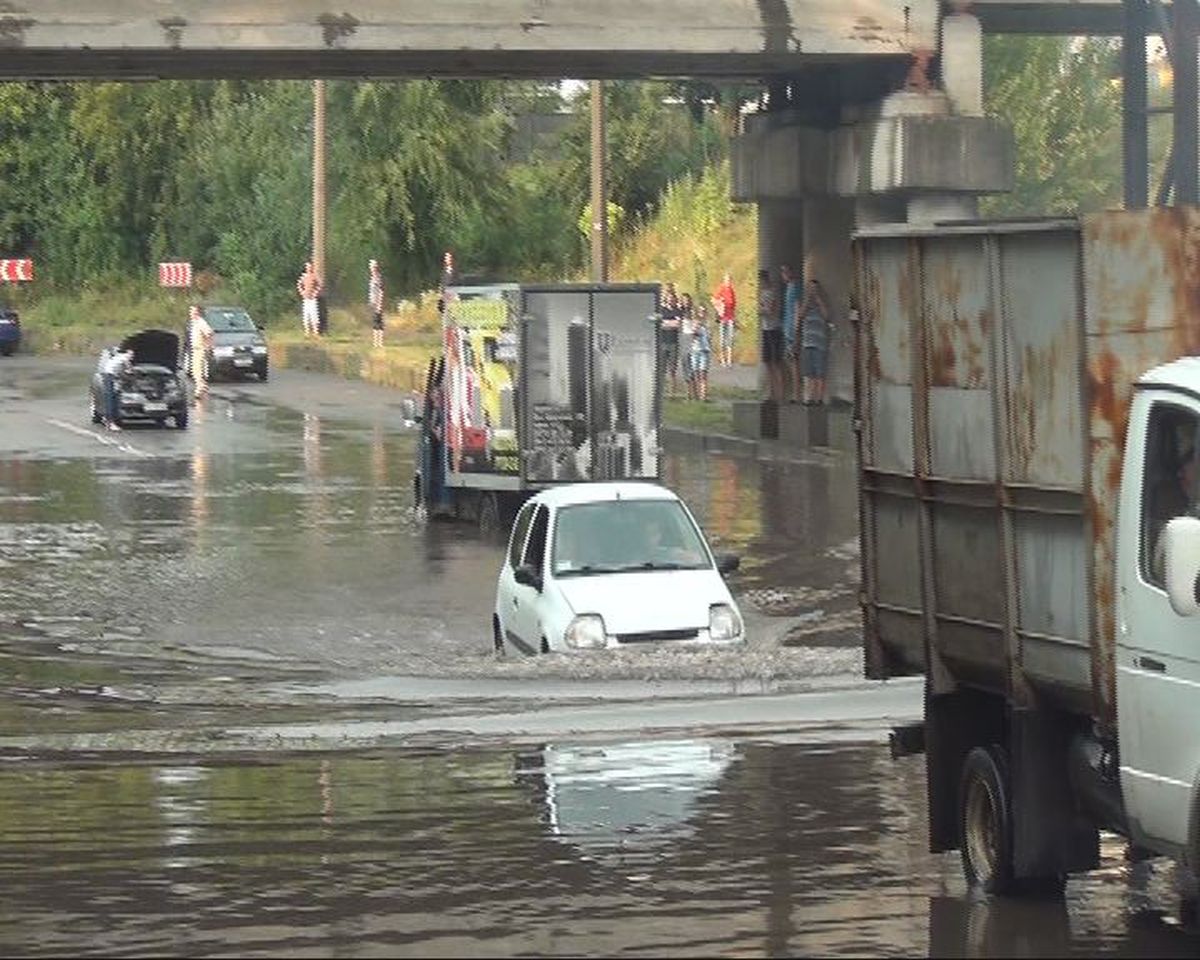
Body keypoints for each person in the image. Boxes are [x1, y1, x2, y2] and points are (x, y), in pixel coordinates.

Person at [798, 276, 832, 405]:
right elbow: (800, 315)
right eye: (810, 288)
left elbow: (826, 316)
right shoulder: (805, 303)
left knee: (820, 373)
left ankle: (819, 398)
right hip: (807, 343)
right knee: (809, 373)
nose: (812, 291)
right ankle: (810, 398)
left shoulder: (822, 303)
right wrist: (808, 299)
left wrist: (818, 298)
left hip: (819, 343)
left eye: (814, 288)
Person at [757, 268, 784, 402]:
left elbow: (773, 311)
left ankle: (779, 394)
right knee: (767, 362)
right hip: (766, 328)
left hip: (774, 329)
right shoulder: (762, 293)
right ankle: (771, 392)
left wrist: (762, 310)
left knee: (776, 363)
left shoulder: (772, 293)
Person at [779, 264, 801, 402]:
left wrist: (796, 329)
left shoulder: (796, 287)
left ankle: (797, 394)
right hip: (786, 328)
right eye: (782, 272)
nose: (783, 274)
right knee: (789, 360)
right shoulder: (788, 288)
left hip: (792, 330)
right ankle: (794, 392)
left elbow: (797, 309)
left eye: (786, 271)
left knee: (794, 362)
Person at [102, 347, 133, 431]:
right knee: (111, 398)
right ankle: (110, 423)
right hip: (110, 376)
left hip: (109, 375)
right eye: (131, 354)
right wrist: (130, 372)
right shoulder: (124, 357)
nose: (132, 356)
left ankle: (108, 419)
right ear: (128, 353)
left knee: (113, 397)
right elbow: (127, 370)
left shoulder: (119, 356)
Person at [660, 283, 681, 396]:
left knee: (672, 370)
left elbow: (677, 324)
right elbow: (659, 324)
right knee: (662, 369)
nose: (670, 300)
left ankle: (672, 392)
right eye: (669, 298)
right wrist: (669, 323)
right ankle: (661, 392)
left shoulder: (677, 311)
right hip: (663, 342)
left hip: (673, 342)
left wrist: (666, 323)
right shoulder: (661, 310)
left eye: (672, 298)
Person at [189, 305, 213, 403]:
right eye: (190, 311)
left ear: (197, 312)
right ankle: (203, 386)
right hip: (195, 349)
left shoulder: (201, 322)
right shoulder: (194, 323)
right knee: (195, 370)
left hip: (200, 349)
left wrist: (208, 346)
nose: (191, 313)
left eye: (193, 311)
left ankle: (199, 390)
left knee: (197, 371)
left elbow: (209, 333)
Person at [713, 271, 737, 367]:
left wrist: (735, 318)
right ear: (724, 280)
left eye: (730, 280)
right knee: (722, 339)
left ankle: (729, 360)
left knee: (730, 338)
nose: (729, 281)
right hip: (722, 317)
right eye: (727, 280)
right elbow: (714, 300)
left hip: (730, 316)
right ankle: (723, 360)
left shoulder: (731, 290)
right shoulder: (721, 288)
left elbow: (734, 304)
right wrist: (720, 301)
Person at [689, 305, 712, 402]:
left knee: (703, 373)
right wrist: (694, 332)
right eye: (700, 311)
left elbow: (710, 337)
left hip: (704, 351)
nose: (702, 313)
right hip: (695, 350)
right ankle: (697, 394)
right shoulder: (694, 323)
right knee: (695, 373)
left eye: (704, 311)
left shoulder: (708, 324)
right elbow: (692, 335)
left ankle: (703, 396)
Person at [297, 261, 321, 338]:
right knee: (306, 315)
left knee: (314, 314)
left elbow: (319, 285)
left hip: (312, 298)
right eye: (307, 267)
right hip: (306, 298)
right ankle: (307, 332)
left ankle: (315, 332)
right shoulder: (304, 276)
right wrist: (302, 292)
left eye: (310, 267)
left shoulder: (314, 276)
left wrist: (315, 293)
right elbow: (299, 284)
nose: (308, 268)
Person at [368, 259, 385, 348]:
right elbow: (372, 291)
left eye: (373, 267)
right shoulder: (372, 278)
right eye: (371, 267)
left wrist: (380, 303)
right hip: (373, 302)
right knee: (375, 321)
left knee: (379, 321)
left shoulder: (379, 278)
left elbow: (381, 291)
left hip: (378, 302)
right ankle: (375, 342)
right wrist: (371, 302)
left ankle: (380, 342)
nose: (372, 269)